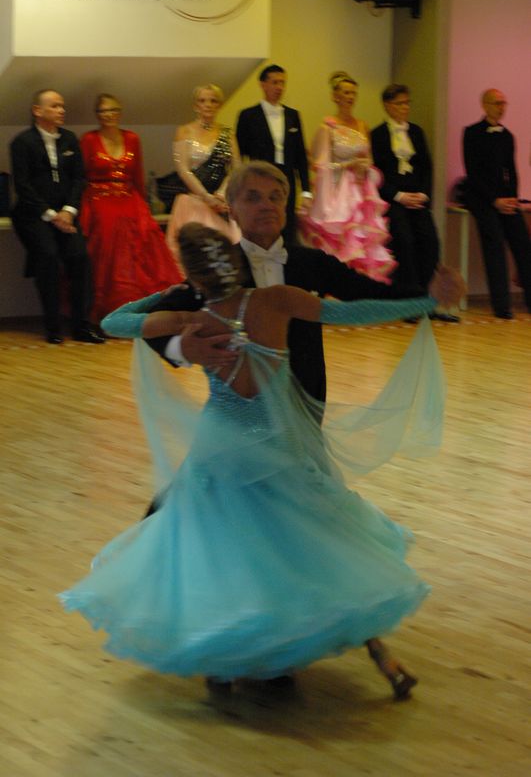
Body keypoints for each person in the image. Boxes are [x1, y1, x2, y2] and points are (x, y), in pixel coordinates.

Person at [60, 221, 463, 699]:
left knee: (224, 553)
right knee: (318, 546)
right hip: (280, 447)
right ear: (236, 265)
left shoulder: (192, 319)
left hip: (221, 454)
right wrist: (427, 303)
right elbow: (355, 312)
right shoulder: (277, 302)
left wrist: (167, 296)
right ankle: (382, 657)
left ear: (194, 277)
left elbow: (114, 322)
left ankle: (223, 661)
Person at [144, 161, 436, 409]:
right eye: (253, 198)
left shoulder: (313, 263)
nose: (267, 206)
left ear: (285, 207)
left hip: (305, 399)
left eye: (275, 197)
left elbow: (372, 293)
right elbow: (152, 320)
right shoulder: (219, 266)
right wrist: (181, 348)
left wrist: (430, 293)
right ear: (231, 209)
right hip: (241, 407)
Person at [10, 89, 104, 344]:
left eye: (62, 106)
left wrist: (69, 211)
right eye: (54, 106)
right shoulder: (22, 143)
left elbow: (78, 179)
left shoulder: (70, 139)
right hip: (33, 215)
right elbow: (23, 186)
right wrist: (52, 215)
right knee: (48, 257)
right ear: (37, 111)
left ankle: (81, 326)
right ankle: (52, 327)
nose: (61, 110)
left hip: (66, 215)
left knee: (80, 257)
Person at [79, 93, 183, 322]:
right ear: (97, 115)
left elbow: (137, 175)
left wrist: (144, 206)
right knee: (110, 240)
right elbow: (81, 176)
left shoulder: (132, 138)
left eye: (113, 110)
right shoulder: (88, 140)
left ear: (120, 112)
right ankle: (108, 309)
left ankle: (144, 307)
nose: (108, 115)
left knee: (143, 243)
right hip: (99, 199)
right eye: (103, 111)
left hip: (129, 198)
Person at [371, 84, 460, 323]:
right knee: (405, 243)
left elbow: (427, 167)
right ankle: (408, 304)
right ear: (387, 105)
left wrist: (423, 193)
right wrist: (398, 195)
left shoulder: (417, 132)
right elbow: (376, 173)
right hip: (395, 201)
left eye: (407, 103)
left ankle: (429, 302)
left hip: (418, 199)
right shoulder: (378, 135)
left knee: (430, 243)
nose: (405, 108)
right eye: (400, 103)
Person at [299, 72, 396, 283]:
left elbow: (369, 159)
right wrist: (348, 166)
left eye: (353, 93)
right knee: (341, 239)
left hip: (361, 191)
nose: (350, 97)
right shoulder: (328, 127)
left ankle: (362, 286)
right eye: (346, 92)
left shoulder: (362, 126)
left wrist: (364, 167)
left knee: (362, 239)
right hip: (338, 192)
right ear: (335, 96)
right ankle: (339, 284)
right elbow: (321, 166)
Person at [463, 88, 531, 319]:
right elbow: (472, 173)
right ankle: (501, 305)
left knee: (523, 244)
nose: (501, 108)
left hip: (505, 199)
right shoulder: (472, 133)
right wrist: (494, 200)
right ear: (485, 105)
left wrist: (513, 198)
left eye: (504, 103)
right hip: (482, 199)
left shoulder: (507, 135)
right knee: (494, 244)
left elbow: (511, 171)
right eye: (497, 103)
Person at [236, 65, 312, 238]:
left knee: (287, 225)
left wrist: (306, 191)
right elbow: (239, 154)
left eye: (282, 83)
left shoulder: (293, 115)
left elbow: (300, 155)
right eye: (275, 82)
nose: (279, 87)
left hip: (286, 179)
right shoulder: (248, 115)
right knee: (262, 223)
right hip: (259, 178)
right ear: (263, 85)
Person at [165, 84, 240, 254]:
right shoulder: (184, 131)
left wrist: (221, 194)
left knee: (225, 251)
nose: (208, 105)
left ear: (219, 105)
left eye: (213, 101)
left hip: (222, 203)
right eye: (202, 101)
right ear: (195, 105)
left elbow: (236, 168)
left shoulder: (228, 134)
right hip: (193, 202)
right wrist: (206, 197)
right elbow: (183, 170)